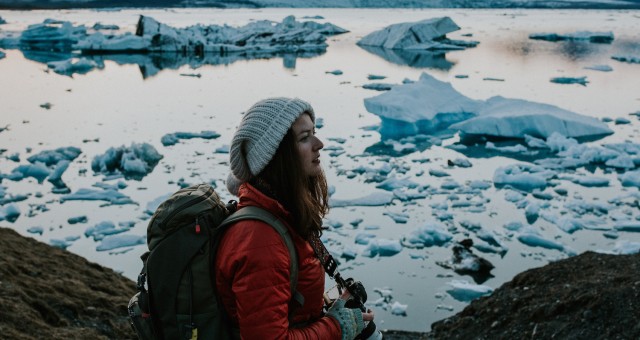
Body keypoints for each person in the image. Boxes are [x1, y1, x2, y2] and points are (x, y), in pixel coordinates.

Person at [216, 97, 374, 339]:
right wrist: (336, 326)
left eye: (314, 132)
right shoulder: (261, 241)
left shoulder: (280, 214)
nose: (319, 143)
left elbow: (283, 307)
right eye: (304, 138)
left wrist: (332, 308)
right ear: (276, 156)